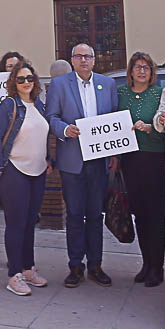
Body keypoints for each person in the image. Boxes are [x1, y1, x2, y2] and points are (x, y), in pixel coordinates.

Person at [47, 41, 116, 287]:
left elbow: (113, 120)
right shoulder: (59, 85)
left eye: (87, 56)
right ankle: (75, 266)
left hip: (98, 160)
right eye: (78, 56)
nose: (83, 60)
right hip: (72, 161)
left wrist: (114, 155)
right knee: (75, 215)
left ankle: (96, 265)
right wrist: (65, 129)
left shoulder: (107, 85)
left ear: (94, 60)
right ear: (72, 60)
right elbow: (51, 117)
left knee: (96, 215)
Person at [0, 61, 50, 296]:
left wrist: (49, 160)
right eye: (21, 79)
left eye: (30, 78)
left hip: (39, 170)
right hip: (14, 170)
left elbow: (45, 135)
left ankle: (28, 268)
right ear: (14, 82)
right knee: (15, 223)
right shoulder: (9, 105)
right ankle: (14, 275)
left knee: (30, 222)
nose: (26, 83)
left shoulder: (39, 106)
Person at [118, 51, 165, 287]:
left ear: (152, 72)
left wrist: (151, 127)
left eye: (146, 67)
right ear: (130, 72)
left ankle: (157, 267)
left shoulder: (160, 94)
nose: (141, 71)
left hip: (154, 159)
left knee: (155, 214)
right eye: (137, 67)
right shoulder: (121, 93)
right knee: (139, 213)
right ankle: (145, 263)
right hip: (130, 160)